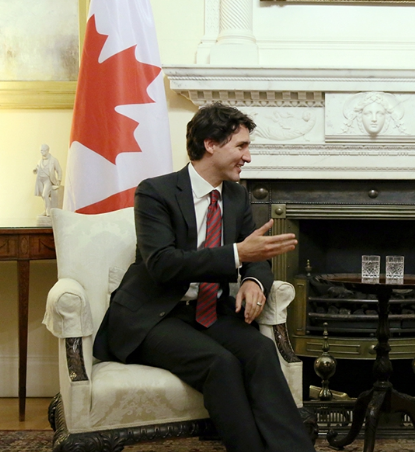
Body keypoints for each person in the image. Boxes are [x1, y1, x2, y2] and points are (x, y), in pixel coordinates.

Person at [93, 103, 315, 452]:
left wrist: (253, 281)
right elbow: (163, 264)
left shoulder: (238, 197)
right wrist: (238, 255)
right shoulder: (155, 192)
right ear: (211, 144)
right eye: (241, 146)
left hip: (209, 311)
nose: (249, 157)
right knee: (221, 364)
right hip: (153, 315)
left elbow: (255, 255)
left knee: (259, 349)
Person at [33, 144, 62, 215]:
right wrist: (35, 170)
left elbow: (59, 170)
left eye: (43, 150)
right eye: (40, 151)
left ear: (47, 150)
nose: (41, 152)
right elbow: (38, 168)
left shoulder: (54, 160)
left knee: (45, 195)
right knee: (43, 196)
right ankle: (46, 209)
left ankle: (49, 211)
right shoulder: (40, 160)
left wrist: (59, 180)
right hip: (40, 179)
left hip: (48, 180)